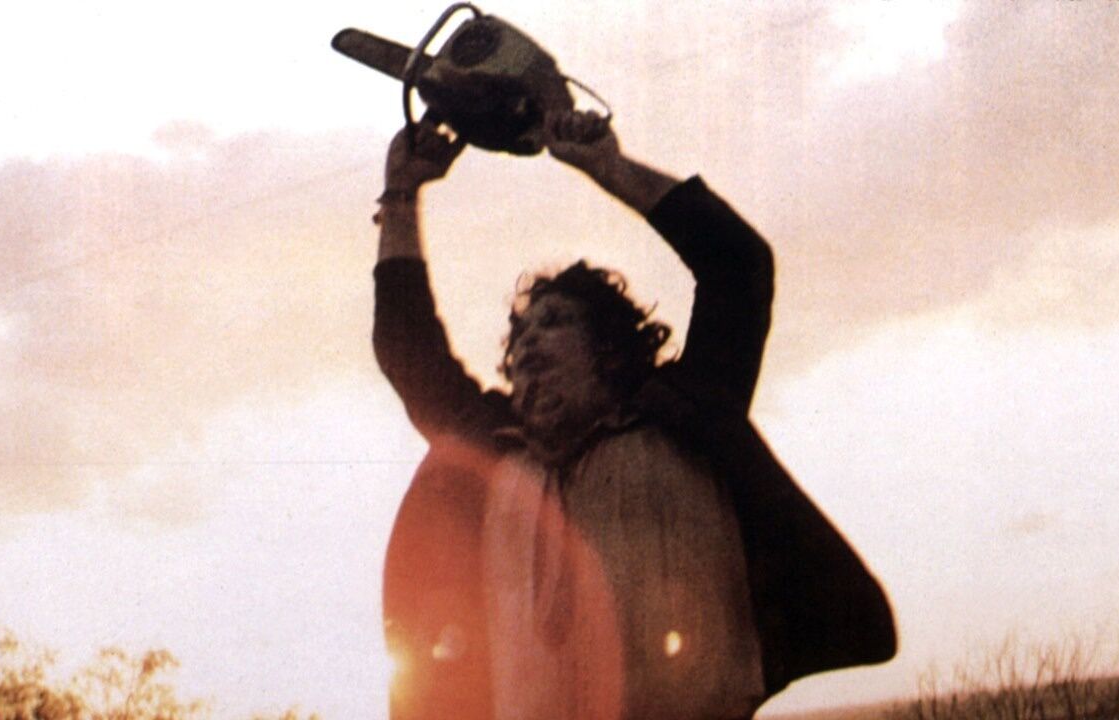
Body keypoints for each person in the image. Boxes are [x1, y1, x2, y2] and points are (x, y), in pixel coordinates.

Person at [373, 111, 896, 720]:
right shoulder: (493, 447)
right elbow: (408, 348)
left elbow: (736, 264)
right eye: (521, 335)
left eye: (555, 322)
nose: (529, 341)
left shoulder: (686, 410)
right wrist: (401, 195)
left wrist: (610, 168)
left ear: (612, 347)